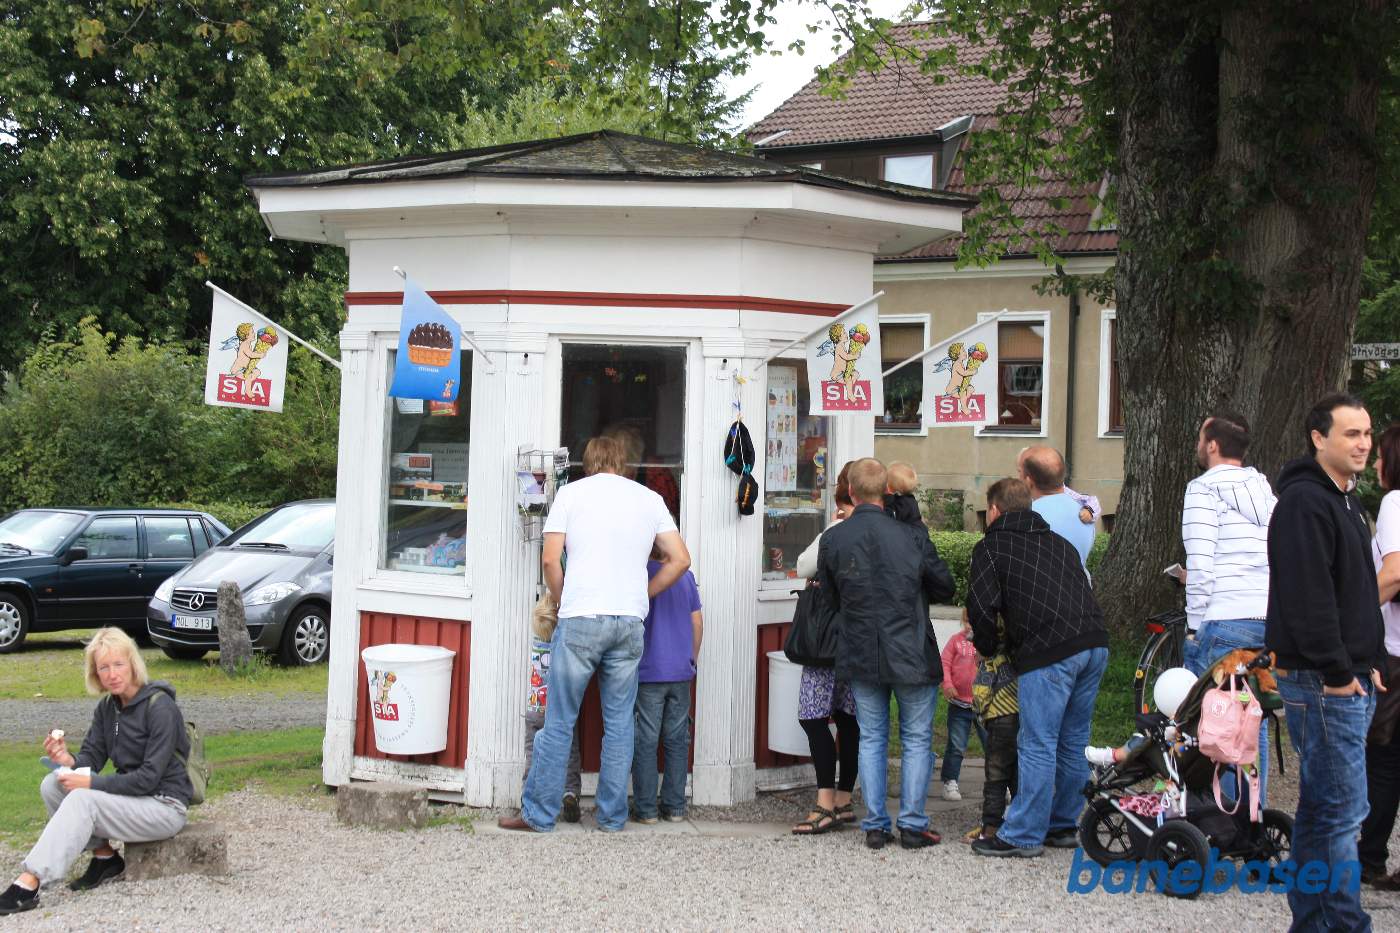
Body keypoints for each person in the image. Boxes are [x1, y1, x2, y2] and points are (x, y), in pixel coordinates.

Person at [502, 435, 691, 834]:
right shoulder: (649, 499)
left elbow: (551, 558)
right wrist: (645, 592)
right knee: (619, 723)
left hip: (581, 616)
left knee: (559, 721)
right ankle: (611, 817)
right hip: (628, 622)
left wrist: (562, 594)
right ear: (622, 463)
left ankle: (539, 814)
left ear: (587, 464)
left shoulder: (571, 495)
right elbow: (681, 559)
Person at [1266, 393, 1385, 931]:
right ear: (1319, 438)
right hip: (1323, 682)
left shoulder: (1345, 500)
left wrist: (1372, 659)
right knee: (1343, 814)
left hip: (1348, 675)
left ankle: (1315, 922)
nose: (1363, 443)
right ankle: (1343, 923)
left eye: (1367, 434)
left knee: (1323, 809)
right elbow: (1308, 597)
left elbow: (1355, 593)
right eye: (1350, 434)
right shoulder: (1304, 503)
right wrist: (1339, 672)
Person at [0, 628, 192, 916]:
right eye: (104, 667)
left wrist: (89, 782)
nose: (112, 674)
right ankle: (105, 858)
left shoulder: (160, 707)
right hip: (135, 801)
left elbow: (148, 779)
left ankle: (30, 881)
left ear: (132, 665)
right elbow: (92, 756)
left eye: (119, 664)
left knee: (82, 799)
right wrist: (68, 759)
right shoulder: (108, 707)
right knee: (53, 783)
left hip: (164, 805)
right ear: (96, 673)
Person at [818, 458, 956, 850]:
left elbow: (830, 598)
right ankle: (912, 823)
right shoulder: (912, 536)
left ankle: (876, 824)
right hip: (910, 647)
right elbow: (944, 586)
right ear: (887, 491)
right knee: (915, 737)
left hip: (861, 648)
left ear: (852, 493)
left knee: (872, 737)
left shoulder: (835, 539)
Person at [967, 477, 1109, 858]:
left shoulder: (992, 547)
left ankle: (1024, 833)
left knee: (1037, 742)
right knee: (1073, 739)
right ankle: (1062, 824)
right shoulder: (1059, 543)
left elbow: (981, 608)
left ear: (994, 510)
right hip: (1094, 642)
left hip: (1049, 651)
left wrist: (987, 647)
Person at [1180, 411, 1277, 803]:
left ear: (1213, 445)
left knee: (1218, 720)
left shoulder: (1201, 490)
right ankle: (1255, 814)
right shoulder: (1266, 491)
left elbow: (1202, 565)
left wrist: (1194, 626)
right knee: (1254, 721)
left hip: (1225, 618)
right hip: (1266, 616)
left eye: (1201, 438)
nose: (1198, 446)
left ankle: (1223, 814)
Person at [791, 462, 861, 834]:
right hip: (861, 638)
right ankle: (845, 798)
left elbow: (805, 565)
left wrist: (833, 526)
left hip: (826, 638)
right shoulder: (887, 529)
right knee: (850, 719)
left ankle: (824, 801)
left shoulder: (838, 529)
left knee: (813, 716)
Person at [631, 546, 703, 824]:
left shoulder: (641, 576)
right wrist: (691, 658)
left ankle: (646, 809)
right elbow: (697, 623)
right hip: (680, 670)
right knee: (677, 739)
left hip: (649, 670)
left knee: (646, 741)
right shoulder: (685, 576)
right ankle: (674, 807)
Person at [1359, 424, 1400, 888]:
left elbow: (1393, 573)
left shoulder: (1395, 502)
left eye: (1381, 453)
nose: (1374, 462)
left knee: (1384, 755)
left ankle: (1368, 856)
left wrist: (1353, 618)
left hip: (1395, 652)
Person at [521, 593, 582, 823]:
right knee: (570, 751)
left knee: (533, 753)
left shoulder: (537, 647)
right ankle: (570, 792)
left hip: (535, 709)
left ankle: (528, 793)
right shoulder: (564, 648)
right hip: (560, 710)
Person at [968, 607, 1019, 843]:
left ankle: (990, 827)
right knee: (1017, 774)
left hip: (999, 721)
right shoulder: (1016, 657)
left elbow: (981, 694)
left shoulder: (990, 662)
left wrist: (978, 710)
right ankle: (1020, 822)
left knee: (996, 776)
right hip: (1020, 717)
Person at [1017, 446, 1095, 567]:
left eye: (1019, 472)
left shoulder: (1023, 518)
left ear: (1028, 481)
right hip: (1078, 584)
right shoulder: (1086, 511)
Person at [939, 613, 985, 802]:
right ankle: (950, 781)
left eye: (974, 621)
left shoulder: (987, 642)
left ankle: (1002, 783)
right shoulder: (956, 641)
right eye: (967, 621)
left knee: (993, 745)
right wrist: (947, 684)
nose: (970, 625)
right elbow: (945, 663)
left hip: (984, 704)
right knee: (956, 745)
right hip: (959, 703)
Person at [883, 461, 927, 531]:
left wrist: (888, 497)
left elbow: (887, 520)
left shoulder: (895, 503)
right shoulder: (911, 501)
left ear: (888, 486)